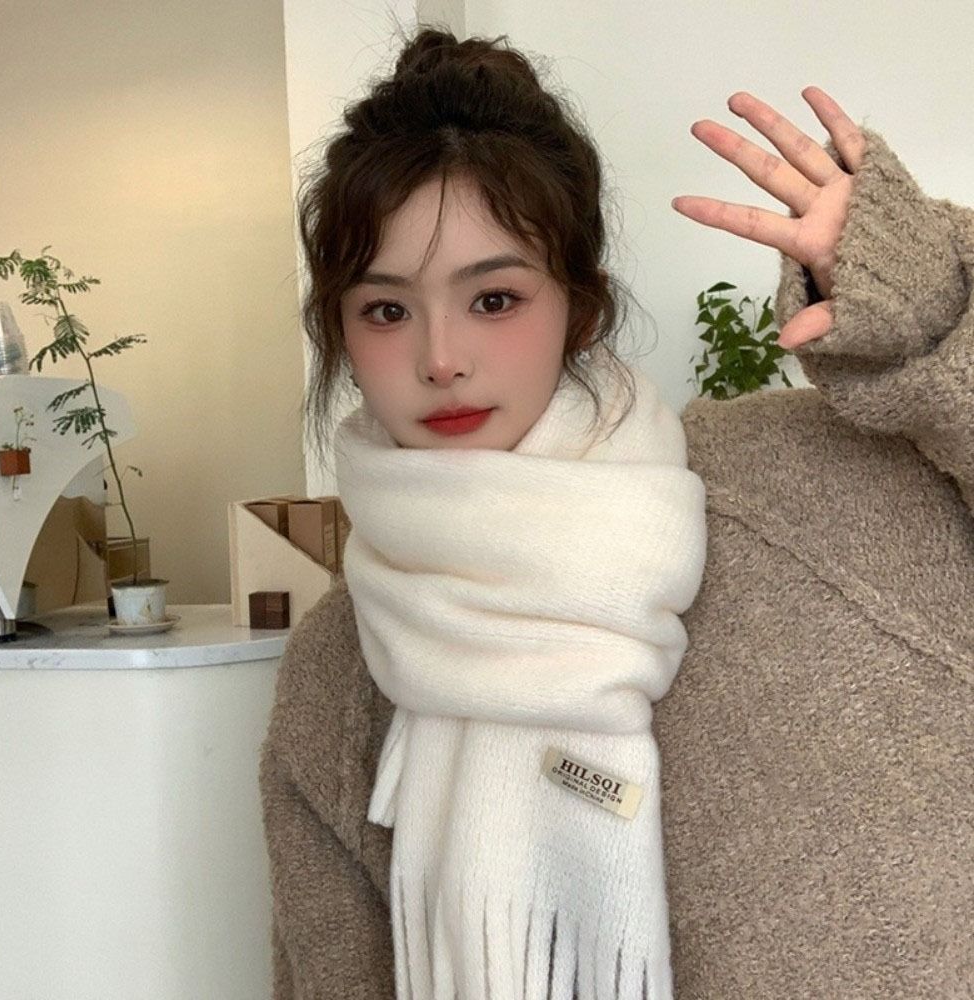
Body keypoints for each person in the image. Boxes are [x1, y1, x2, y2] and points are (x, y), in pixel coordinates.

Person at [260, 28, 973, 1000]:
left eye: (494, 299)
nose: (441, 359)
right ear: (340, 334)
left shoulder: (798, 486)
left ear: (580, 306)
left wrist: (939, 313)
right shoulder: (339, 668)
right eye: (386, 310)